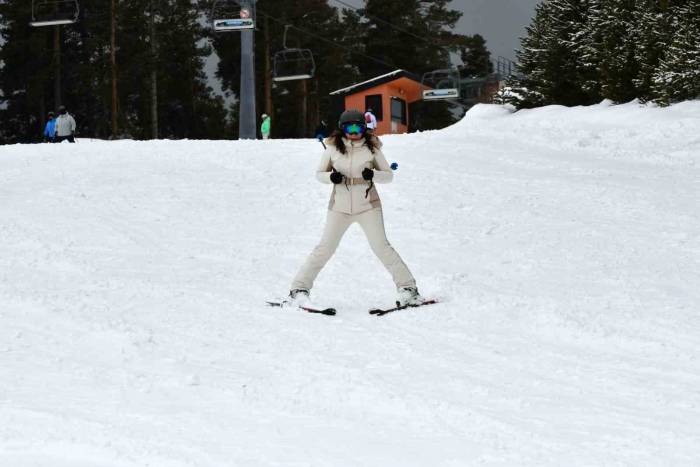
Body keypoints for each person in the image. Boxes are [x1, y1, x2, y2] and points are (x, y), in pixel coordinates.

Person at [288, 109, 422, 306]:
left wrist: (373, 175)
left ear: (364, 128)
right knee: (324, 248)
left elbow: (388, 175)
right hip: (339, 207)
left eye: (358, 127)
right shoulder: (332, 148)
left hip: (368, 206)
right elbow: (319, 174)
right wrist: (330, 177)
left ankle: (408, 288)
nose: (354, 132)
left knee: (381, 246)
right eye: (349, 127)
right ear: (342, 129)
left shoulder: (372, 148)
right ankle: (299, 289)